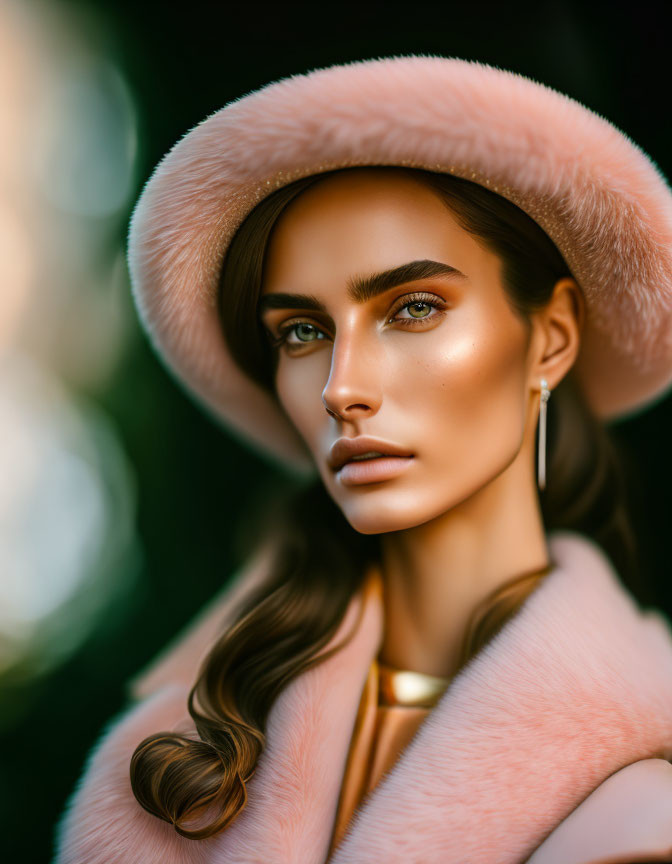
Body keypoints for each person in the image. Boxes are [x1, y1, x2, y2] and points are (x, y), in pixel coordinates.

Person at [52, 56, 672, 864]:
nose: (342, 388)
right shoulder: (196, 745)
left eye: (413, 308)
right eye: (302, 332)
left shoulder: (636, 805)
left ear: (549, 338)